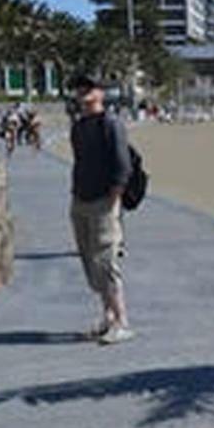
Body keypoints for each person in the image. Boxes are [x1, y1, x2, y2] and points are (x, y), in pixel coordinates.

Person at [68, 74, 135, 344]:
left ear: (101, 94)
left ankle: (122, 321)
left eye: (88, 88)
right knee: (90, 262)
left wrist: (114, 200)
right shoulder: (79, 126)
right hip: (80, 200)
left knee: (106, 261)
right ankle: (107, 317)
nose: (82, 93)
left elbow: (123, 166)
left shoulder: (111, 124)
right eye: (79, 89)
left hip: (103, 202)